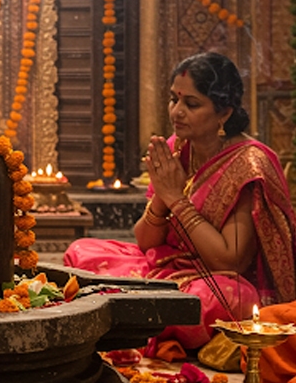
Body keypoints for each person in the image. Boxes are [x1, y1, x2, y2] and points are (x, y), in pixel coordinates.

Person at [64, 52, 296, 350]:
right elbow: (146, 242)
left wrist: (176, 199)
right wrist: (162, 197)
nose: (177, 112)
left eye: (192, 104)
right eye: (174, 100)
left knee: (223, 299)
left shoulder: (248, 164)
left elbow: (231, 260)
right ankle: (142, 315)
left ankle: (132, 318)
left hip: (219, 280)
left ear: (224, 113)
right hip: (169, 265)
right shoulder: (178, 147)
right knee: (82, 251)